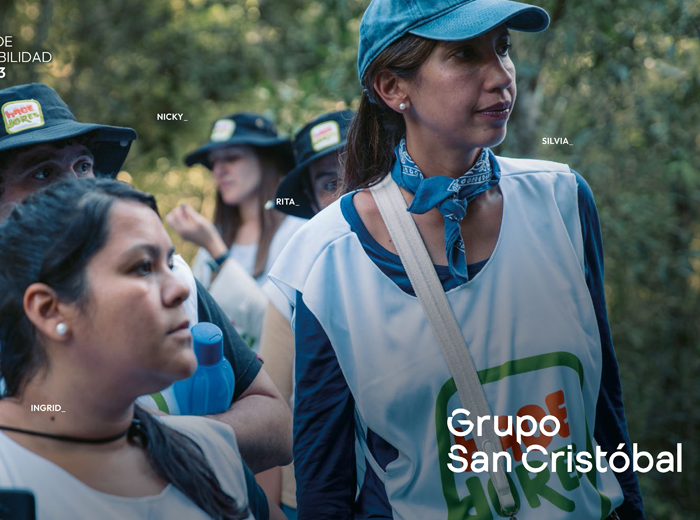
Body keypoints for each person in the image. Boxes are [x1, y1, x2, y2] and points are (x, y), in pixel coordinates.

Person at [268, 0, 645, 518]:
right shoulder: (326, 258)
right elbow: (325, 481)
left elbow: (605, 410)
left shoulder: (561, 200)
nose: (500, 77)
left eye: (503, 49)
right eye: (465, 55)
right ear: (392, 87)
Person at [0, 84, 292, 473]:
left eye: (83, 166)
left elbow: (276, 426)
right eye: (42, 173)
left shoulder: (168, 281)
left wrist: (148, 442)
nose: (79, 188)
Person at [0, 178, 286, 520]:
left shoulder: (213, 454)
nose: (181, 289)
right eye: (143, 267)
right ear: (50, 310)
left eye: (170, 263)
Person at [256, 109, 354, 520]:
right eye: (329, 183)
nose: (347, 191)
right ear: (312, 202)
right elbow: (267, 409)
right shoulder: (290, 288)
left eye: (360, 169)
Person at [166, 113, 305, 352]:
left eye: (232, 158)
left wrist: (217, 252)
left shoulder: (297, 230)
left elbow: (282, 330)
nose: (219, 171)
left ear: (265, 160)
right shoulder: (216, 234)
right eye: (213, 162)